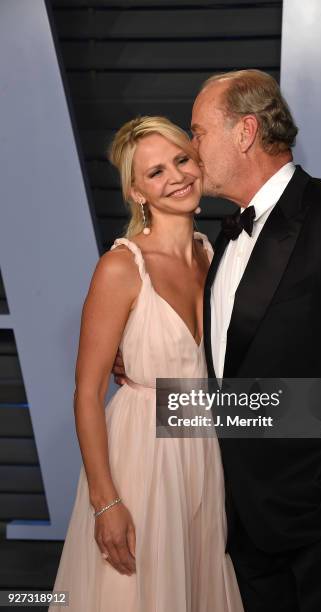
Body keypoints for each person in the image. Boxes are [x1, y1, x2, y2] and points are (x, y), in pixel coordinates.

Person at [110, 69, 321, 612]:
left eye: (198, 133)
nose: (192, 149)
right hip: (240, 524)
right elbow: (238, 383)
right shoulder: (218, 241)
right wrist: (151, 393)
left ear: (245, 132)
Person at [49, 116, 244, 612]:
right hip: (143, 456)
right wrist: (106, 501)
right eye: (155, 172)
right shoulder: (120, 267)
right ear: (137, 191)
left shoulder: (212, 254)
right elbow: (87, 394)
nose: (175, 176)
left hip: (203, 452)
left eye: (181, 159)